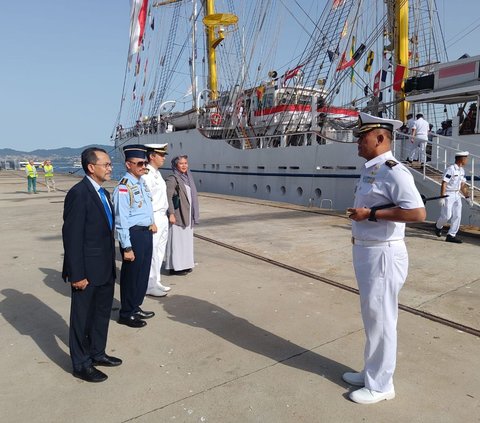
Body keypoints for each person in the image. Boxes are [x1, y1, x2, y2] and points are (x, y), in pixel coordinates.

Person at [345, 112, 426, 404]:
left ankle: (381, 385)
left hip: (383, 254)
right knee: (372, 315)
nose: (357, 142)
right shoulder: (371, 169)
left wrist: (373, 214)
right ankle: (371, 370)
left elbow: (417, 212)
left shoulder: (394, 171)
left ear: (380, 138)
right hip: (367, 250)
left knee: (382, 318)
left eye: (362, 137)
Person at [62, 147, 121, 382]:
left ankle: (97, 352)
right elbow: (72, 237)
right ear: (91, 167)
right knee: (81, 318)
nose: (110, 168)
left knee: (101, 314)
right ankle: (81, 363)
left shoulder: (103, 193)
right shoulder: (79, 194)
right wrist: (77, 274)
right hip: (86, 271)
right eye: (106, 164)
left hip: (105, 268)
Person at [113, 145, 157, 328]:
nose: (143, 166)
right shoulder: (123, 188)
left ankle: (136, 306)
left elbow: (146, 206)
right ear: (128, 164)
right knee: (131, 276)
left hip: (146, 233)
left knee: (142, 273)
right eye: (139, 163)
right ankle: (126, 313)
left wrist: (152, 222)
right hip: (133, 235)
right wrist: (127, 247)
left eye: (145, 163)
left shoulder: (141, 183)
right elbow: (121, 220)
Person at [142, 143, 171, 297]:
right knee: (152, 252)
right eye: (161, 155)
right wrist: (150, 220)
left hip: (162, 215)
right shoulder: (147, 175)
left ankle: (156, 281)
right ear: (152, 156)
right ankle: (149, 284)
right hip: (154, 217)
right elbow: (146, 200)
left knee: (160, 251)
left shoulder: (157, 173)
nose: (164, 158)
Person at [165, 155, 200, 275]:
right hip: (178, 215)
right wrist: (171, 214)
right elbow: (168, 197)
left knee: (186, 242)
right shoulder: (172, 179)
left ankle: (185, 264)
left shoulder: (188, 178)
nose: (184, 165)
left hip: (188, 215)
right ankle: (175, 267)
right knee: (176, 242)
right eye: (181, 163)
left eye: (186, 163)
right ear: (175, 165)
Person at [434, 151, 470, 243]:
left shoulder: (462, 171)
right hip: (448, 194)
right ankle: (438, 226)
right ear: (462, 159)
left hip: (457, 195)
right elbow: (444, 183)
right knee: (447, 216)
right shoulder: (451, 169)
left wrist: (467, 197)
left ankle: (451, 235)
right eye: (466, 158)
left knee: (457, 216)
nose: (467, 160)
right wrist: (442, 197)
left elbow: (462, 185)